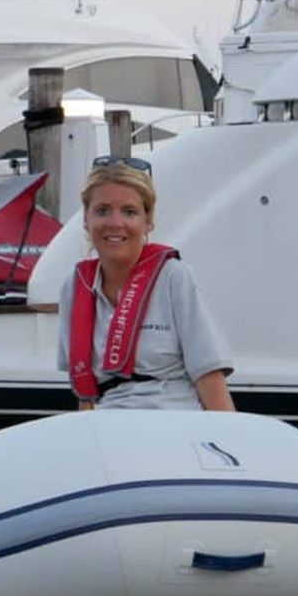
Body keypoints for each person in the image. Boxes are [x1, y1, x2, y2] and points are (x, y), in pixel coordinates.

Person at [57, 156, 235, 412]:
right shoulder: (75, 287)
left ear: (148, 220)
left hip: (174, 421)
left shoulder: (173, 276)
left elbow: (209, 378)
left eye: (129, 212)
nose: (115, 223)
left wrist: (226, 434)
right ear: (86, 219)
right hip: (107, 423)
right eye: (102, 211)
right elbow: (85, 395)